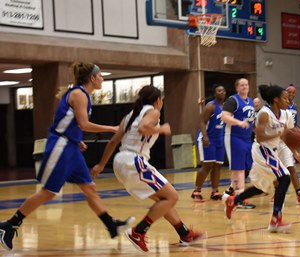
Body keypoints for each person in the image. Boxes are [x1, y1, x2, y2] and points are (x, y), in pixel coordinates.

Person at [0, 62, 134, 251]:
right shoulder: (79, 94)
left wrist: (77, 139)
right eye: (101, 75)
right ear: (93, 78)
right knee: (48, 192)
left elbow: (69, 121)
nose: (103, 78)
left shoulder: (82, 95)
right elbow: (84, 124)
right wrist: (112, 128)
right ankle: (9, 225)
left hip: (71, 146)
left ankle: (111, 225)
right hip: (61, 146)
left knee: (90, 189)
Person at [91, 85, 206, 252]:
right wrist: (162, 128)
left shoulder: (130, 115)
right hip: (134, 161)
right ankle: (138, 232)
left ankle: (184, 233)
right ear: (158, 100)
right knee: (172, 197)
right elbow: (144, 128)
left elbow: (113, 141)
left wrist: (101, 165)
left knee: (164, 200)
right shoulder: (153, 111)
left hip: (120, 161)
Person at [223, 84, 300, 232]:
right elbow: (260, 137)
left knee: (261, 187)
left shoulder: (287, 115)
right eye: (285, 98)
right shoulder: (264, 114)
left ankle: (233, 201)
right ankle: (276, 220)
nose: (288, 101)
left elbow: (288, 136)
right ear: (276, 99)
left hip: (273, 151)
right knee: (285, 178)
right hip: (262, 150)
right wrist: (278, 135)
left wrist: (296, 153)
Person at [221, 78, 256, 209]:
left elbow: (250, 121)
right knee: (239, 169)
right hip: (234, 137)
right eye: (241, 85)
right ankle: (240, 198)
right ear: (237, 88)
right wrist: (239, 122)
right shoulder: (232, 100)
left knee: (244, 168)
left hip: (247, 138)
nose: (244, 87)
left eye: (246, 84)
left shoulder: (251, 101)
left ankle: (231, 191)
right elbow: (225, 116)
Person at [192, 84, 227, 202]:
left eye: (223, 90)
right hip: (207, 138)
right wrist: (205, 136)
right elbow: (202, 121)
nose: (221, 92)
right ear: (215, 94)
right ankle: (196, 191)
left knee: (218, 166)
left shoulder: (226, 107)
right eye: (219, 91)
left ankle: (215, 191)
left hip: (219, 139)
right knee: (207, 165)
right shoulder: (211, 106)